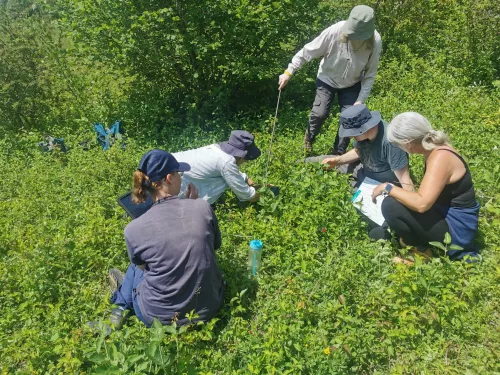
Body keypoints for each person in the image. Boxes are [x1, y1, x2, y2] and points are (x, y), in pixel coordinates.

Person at [107, 149, 225, 328]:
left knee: (136, 265)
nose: (180, 177)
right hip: (208, 309)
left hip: (159, 320)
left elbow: (143, 268)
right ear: (169, 178)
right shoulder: (202, 207)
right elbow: (215, 245)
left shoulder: (134, 229)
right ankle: (121, 303)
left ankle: (119, 307)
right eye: (179, 173)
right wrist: (193, 205)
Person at [371, 112, 480, 263]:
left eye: (397, 144)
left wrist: (387, 187)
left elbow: (421, 204)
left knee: (391, 206)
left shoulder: (440, 158)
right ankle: (413, 242)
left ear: (408, 142)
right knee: (383, 224)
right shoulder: (435, 149)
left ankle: (422, 253)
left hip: (457, 231)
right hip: (444, 213)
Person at [278, 5, 382, 155]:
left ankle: (338, 153)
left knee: (349, 118)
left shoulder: (375, 41)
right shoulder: (335, 31)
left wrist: (360, 100)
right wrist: (289, 71)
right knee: (319, 113)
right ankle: (309, 139)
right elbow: (310, 50)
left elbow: (370, 74)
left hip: (352, 84)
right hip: (327, 79)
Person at [315, 104, 414, 191]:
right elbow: (358, 151)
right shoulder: (362, 136)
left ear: (365, 128)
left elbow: (405, 181)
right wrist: (337, 161)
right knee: (320, 161)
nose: (350, 137)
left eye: (352, 133)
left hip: (381, 183)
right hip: (364, 169)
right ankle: (300, 162)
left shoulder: (391, 142)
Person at [173, 130, 262, 205]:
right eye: (246, 159)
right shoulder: (227, 162)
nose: (245, 162)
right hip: (175, 186)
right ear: (241, 156)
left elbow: (228, 170)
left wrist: (248, 180)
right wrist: (265, 194)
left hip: (170, 163)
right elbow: (247, 195)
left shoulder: (216, 149)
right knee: (224, 180)